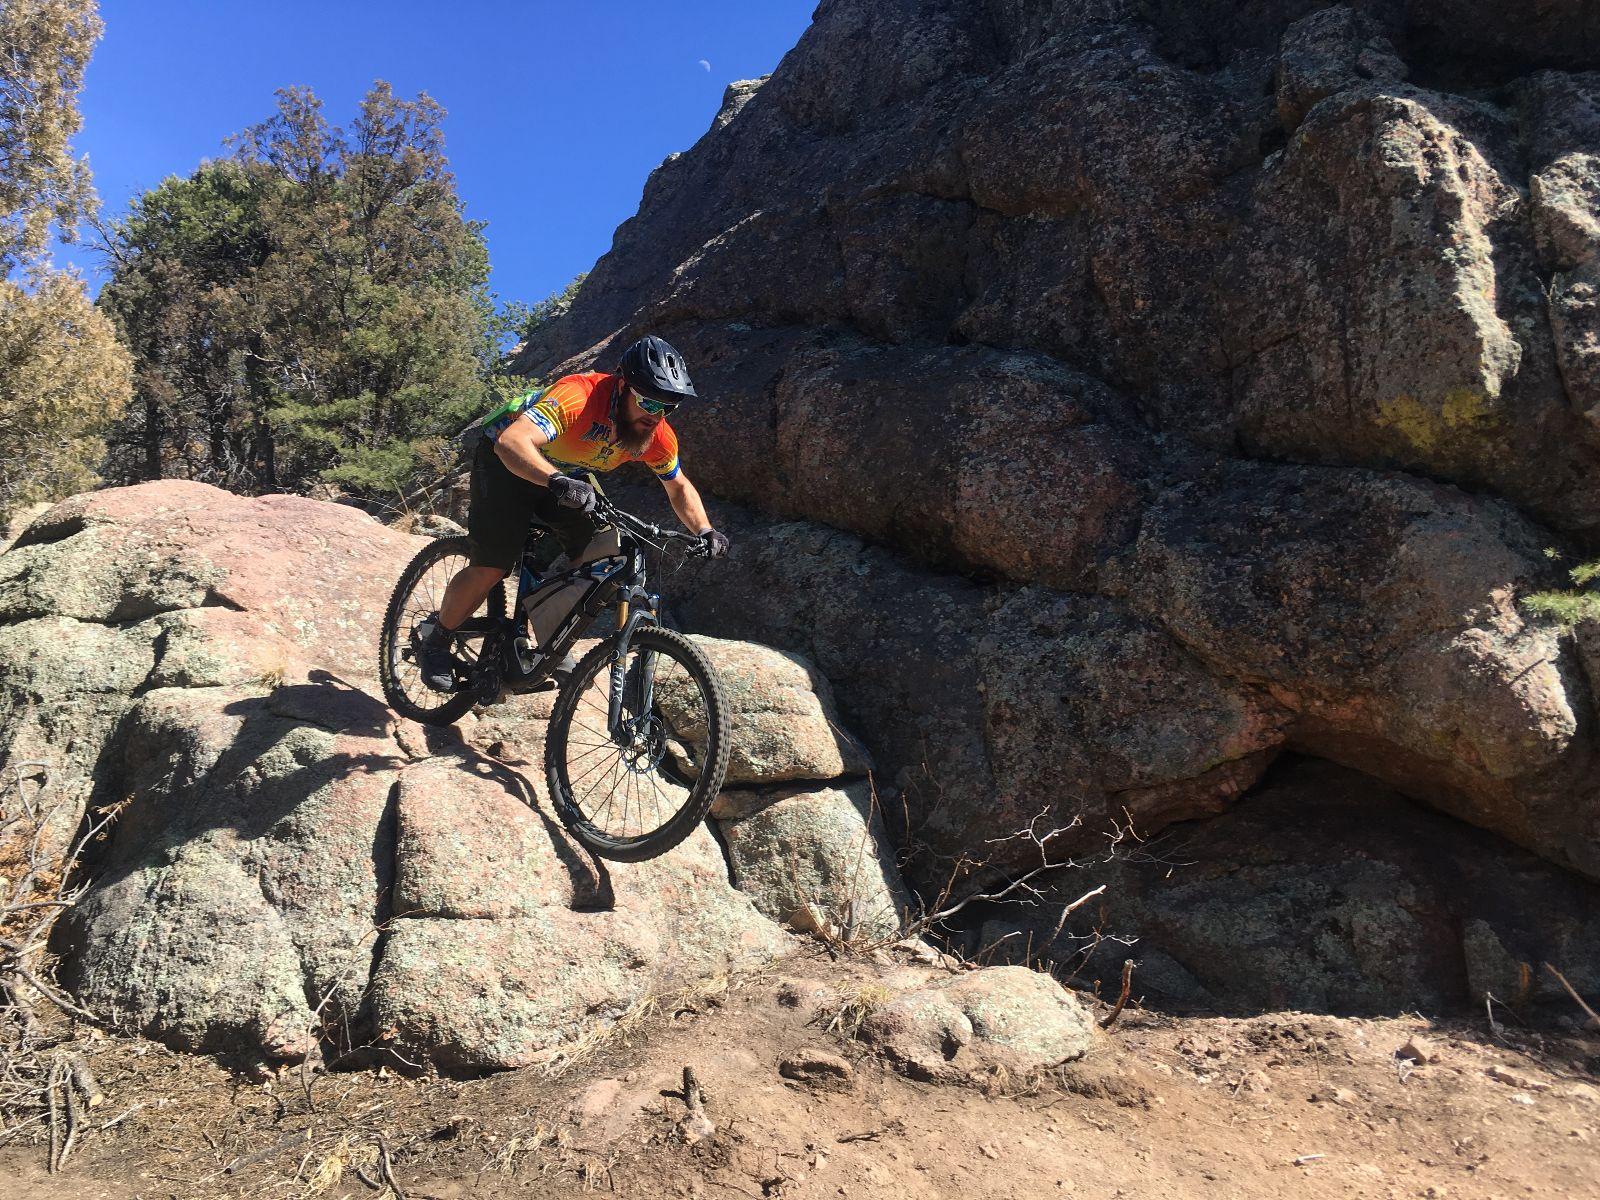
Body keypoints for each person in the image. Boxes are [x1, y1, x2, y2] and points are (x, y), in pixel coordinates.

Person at [414, 334, 729, 691]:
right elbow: (513, 442)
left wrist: (705, 529)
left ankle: (548, 642)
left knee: (599, 553)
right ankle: (436, 641)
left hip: (567, 474)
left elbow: (678, 486)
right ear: (622, 384)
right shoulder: (579, 395)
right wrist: (555, 480)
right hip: (506, 457)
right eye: (649, 403)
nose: (656, 416)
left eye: (668, 407)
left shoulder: (656, 434)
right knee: (494, 563)